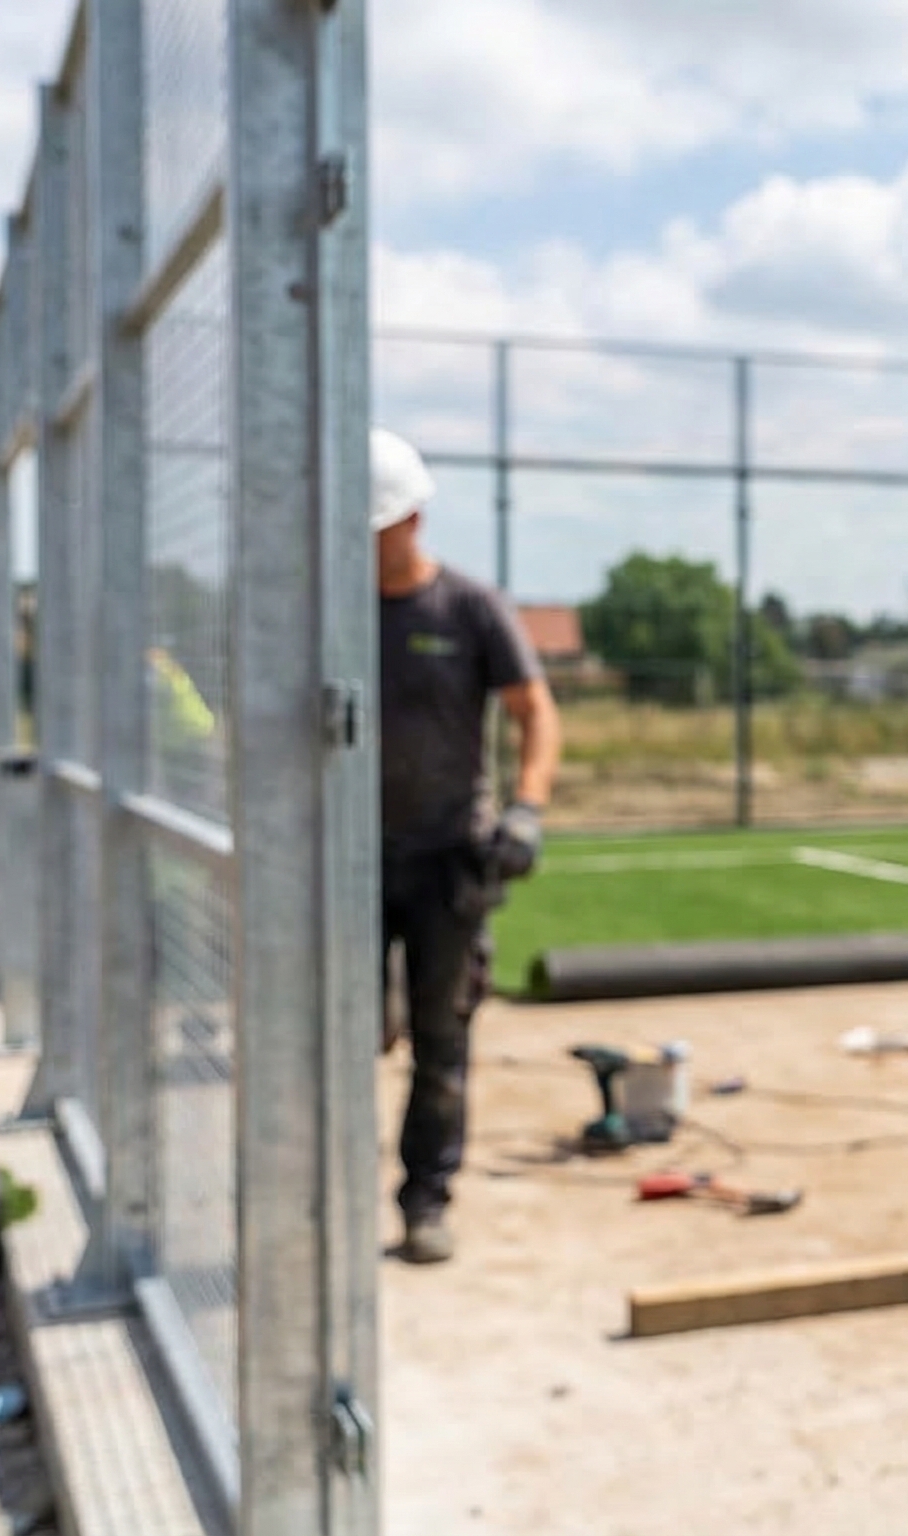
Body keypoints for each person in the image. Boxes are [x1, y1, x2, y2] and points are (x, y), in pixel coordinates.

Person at [373, 427, 560, 1265]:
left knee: (442, 1040)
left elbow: (534, 710)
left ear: (413, 516)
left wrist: (526, 810)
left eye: (379, 526)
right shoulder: (329, 616)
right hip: (346, 862)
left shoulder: (470, 610)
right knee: (339, 1035)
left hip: (449, 857)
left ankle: (425, 1198)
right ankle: (328, 1189)